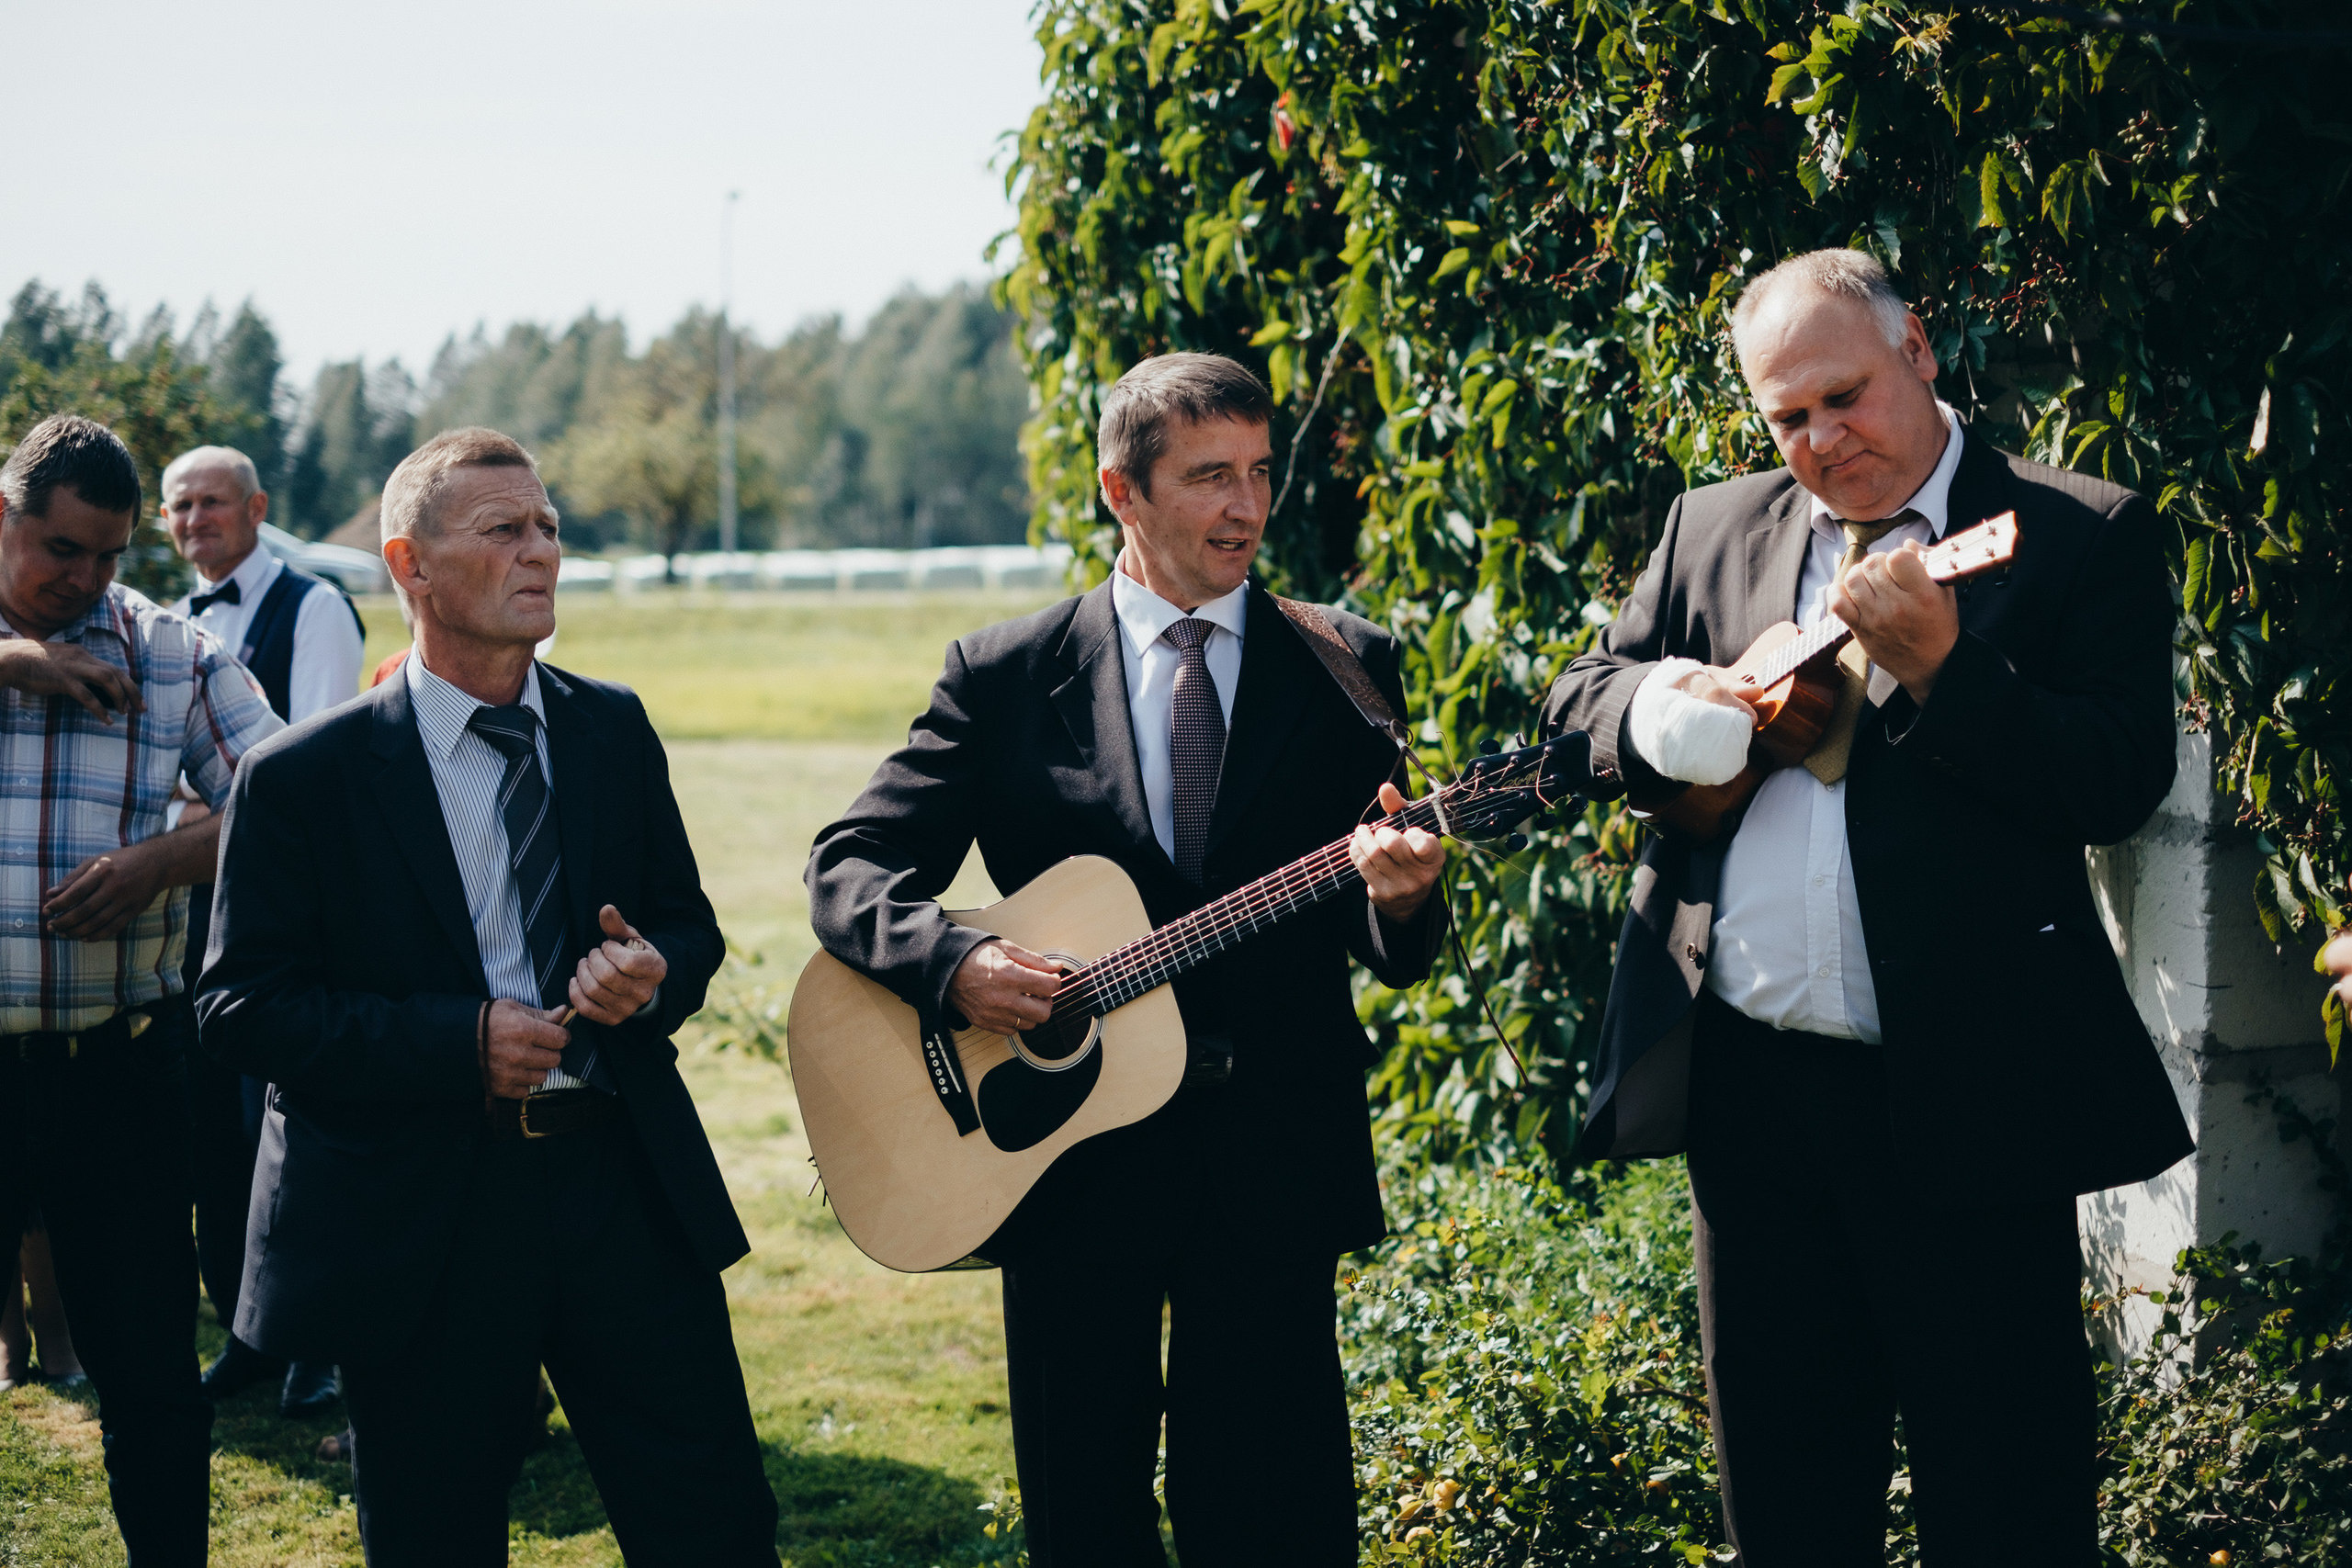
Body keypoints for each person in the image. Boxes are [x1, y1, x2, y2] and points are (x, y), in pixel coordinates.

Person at [1541, 249, 2194, 1562]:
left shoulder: (2079, 532)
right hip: (1753, 1102)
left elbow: (2118, 779)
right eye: (1789, 417)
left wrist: (1952, 670)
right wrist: (1670, 714)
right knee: (1784, 1505)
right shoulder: (1713, 526)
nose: (1823, 440)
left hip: (1971, 1098)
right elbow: (1576, 703)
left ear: (1921, 351)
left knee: (2006, 1499)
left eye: (1845, 395)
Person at [807, 353, 1449, 1567]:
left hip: (1270, 1158)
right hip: (1062, 1163)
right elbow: (848, 867)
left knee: (1276, 1517)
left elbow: (1383, 932)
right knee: (1084, 1513)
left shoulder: (1344, 661)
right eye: (1210, 476)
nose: (1246, 508)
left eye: (1261, 473)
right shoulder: (1003, 676)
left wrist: (1406, 896)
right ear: (1122, 490)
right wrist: (956, 963)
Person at [198, 426, 779, 1565]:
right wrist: (453, 1041)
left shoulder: (611, 726)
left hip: (621, 1188)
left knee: (713, 1523)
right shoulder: (302, 778)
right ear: (408, 565)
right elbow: (239, 1007)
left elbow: (688, 927)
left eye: (549, 527)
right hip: (425, 1214)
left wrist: (653, 974)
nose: (542, 553)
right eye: (504, 531)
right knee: (435, 1535)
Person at [0, 414, 286, 1566]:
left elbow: (287, 804)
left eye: (114, 555)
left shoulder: (171, 653)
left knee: (155, 1385)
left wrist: (161, 862)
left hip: (116, 1072)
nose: (90, 579)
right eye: (64, 549)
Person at [160, 443, 364, 1419]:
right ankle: (244, 1335)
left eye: (213, 502)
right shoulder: (165, 622)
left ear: (256, 507)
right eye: (180, 506)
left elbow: (317, 767)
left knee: (283, 1136)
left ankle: (316, 1346)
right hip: (192, 914)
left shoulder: (315, 607)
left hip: (290, 920)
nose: (196, 520)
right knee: (210, 1143)